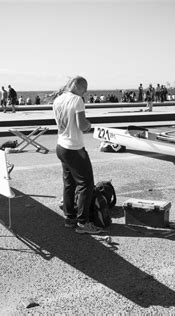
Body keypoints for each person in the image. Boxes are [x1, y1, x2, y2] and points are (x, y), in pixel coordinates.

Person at [52, 76, 103, 234]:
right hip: (74, 148)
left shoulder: (58, 100)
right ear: (79, 87)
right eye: (85, 89)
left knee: (69, 184)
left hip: (61, 146)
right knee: (85, 185)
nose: (86, 92)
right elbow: (82, 126)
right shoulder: (77, 100)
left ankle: (70, 218)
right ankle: (83, 223)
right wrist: (90, 125)